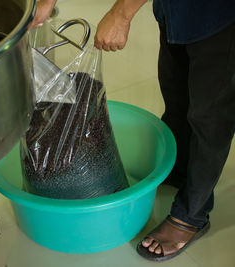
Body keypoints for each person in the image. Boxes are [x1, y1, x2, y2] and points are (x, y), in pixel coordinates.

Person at [30, 0, 235, 261]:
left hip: (219, 16)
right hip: (176, 11)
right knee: (177, 97)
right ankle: (181, 170)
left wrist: (121, 15)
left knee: (210, 117)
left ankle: (192, 215)